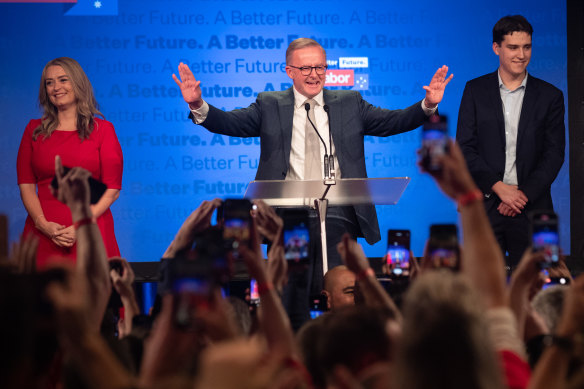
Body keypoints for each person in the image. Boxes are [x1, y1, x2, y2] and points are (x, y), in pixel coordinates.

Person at [174, 37, 451, 327]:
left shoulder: (349, 102)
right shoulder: (269, 104)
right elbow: (231, 123)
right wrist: (197, 104)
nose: (314, 74)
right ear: (289, 71)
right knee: (296, 291)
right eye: (306, 68)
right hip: (289, 218)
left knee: (338, 292)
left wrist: (427, 105)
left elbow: (393, 122)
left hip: (337, 214)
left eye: (320, 67)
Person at [456, 15, 565, 267]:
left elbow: (554, 154)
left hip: (532, 208)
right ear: (496, 48)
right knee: (483, 293)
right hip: (485, 205)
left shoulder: (550, 96)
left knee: (534, 292)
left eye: (526, 47)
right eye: (513, 47)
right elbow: (465, 148)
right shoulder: (475, 90)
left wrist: (521, 195)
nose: (521, 54)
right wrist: (499, 187)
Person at [17, 57, 123, 268]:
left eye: (63, 80)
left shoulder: (103, 130)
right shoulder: (33, 130)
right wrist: (43, 225)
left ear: (78, 83)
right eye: (49, 82)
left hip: (91, 230)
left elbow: (112, 190)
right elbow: (26, 185)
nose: (56, 87)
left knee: (93, 299)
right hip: (43, 233)